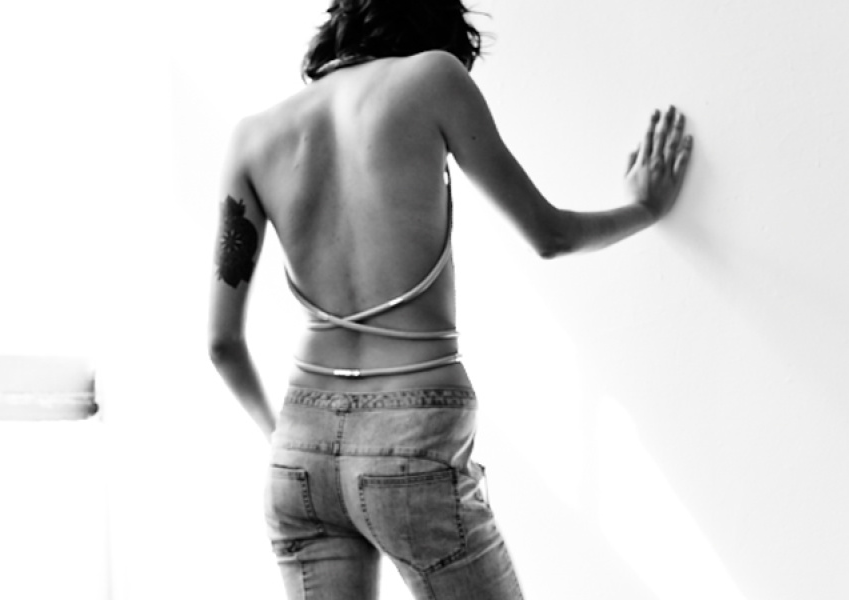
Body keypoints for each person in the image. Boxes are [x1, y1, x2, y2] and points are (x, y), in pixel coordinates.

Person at [207, 1, 693, 598]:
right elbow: (550, 236)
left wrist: (286, 442)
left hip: (298, 453)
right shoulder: (433, 76)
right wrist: (645, 207)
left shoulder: (252, 136)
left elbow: (221, 344)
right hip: (410, 432)